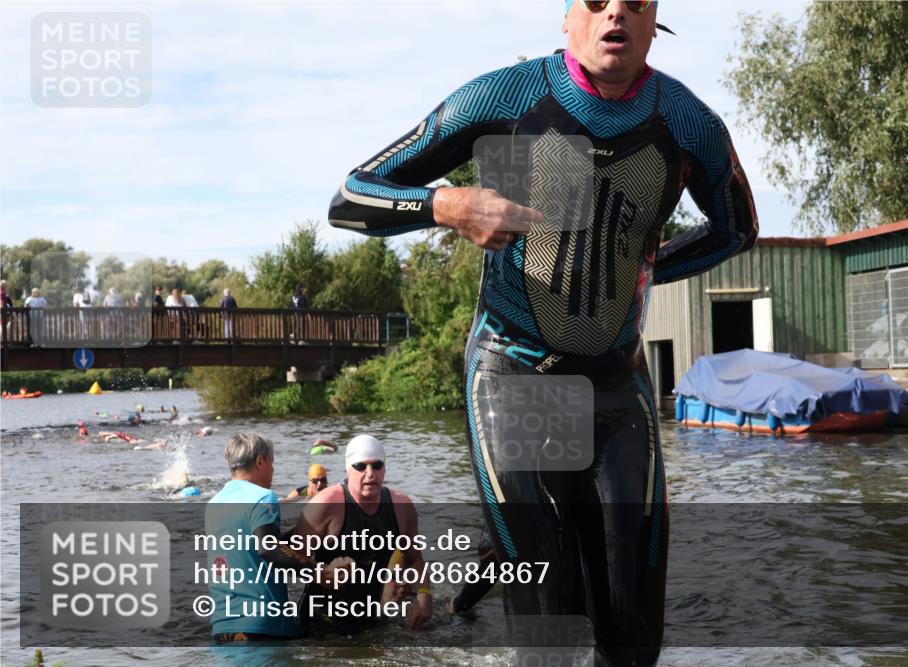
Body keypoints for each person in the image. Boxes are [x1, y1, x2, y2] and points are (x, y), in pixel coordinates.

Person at [327, 2, 758, 663]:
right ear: (567, 18)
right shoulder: (505, 96)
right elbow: (352, 195)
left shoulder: (690, 124)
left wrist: (646, 267)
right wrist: (447, 204)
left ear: (652, 20)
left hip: (616, 389)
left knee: (632, 632)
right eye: (595, 0)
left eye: (635, 1)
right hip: (512, 376)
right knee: (548, 613)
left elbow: (736, 230)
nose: (615, 11)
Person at [205, 432, 341, 643]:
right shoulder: (262, 496)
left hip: (222, 625)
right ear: (260, 461)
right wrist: (319, 572)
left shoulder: (213, 504)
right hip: (263, 625)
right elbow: (268, 549)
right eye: (272, 462)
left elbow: (248, 548)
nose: (274, 470)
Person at [293, 434, 433, 634]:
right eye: (361, 466)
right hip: (321, 621)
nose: (370, 474)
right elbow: (289, 560)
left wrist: (423, 595)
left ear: (384, 469)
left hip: (372, 619)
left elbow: (415, 559)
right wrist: (323, 571)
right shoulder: (325, 505)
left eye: (377, 466)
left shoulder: (402, 507)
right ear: (348, 469)